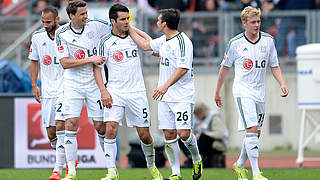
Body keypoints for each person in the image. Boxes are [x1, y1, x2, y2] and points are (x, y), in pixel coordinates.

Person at [214, 6, 289, 180]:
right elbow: (224, 69)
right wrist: (217, 91)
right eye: (253, 22)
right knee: (252, 130)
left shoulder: (268, 41)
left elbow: (274, 65)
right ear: (244, 23)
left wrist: (282, 83)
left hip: (260, 92)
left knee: (256, 134)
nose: (257, 25)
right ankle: (256, 173)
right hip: (243, 91)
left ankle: (239, 165)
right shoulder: (235, 43)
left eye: (259, 21)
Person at [129, 8, 203, 180]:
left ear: (165, 23)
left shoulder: (183, 41)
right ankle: (175, 173)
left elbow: (183, 68)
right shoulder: (163, 40)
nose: (156, 22)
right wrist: (129, 27)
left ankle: (197, 158)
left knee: (184, 134)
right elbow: (146, 45)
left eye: (158, 20)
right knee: (169, 135)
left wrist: (164, 86)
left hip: (182, 95)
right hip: (165, 98)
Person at [93, 4, 162, 180]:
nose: (126, 22)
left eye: (128, 18)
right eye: (122, 19)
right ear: (112, 21)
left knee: (145, 135)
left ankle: (152, 166)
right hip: (114, 91)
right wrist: (103, 91)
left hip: (137, 92)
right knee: (110, 129)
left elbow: (151, 47)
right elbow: (97, 68)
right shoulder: (105, 42)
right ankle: (111, 171)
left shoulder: (134, 37)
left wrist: (131, 28)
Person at [54, 1, 112, 179]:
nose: (86, 16)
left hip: (95, 83)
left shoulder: (96, 25)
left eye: (86, 13)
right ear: (71, 16)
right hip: (73, 84)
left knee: (101, 127)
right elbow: (65, 63)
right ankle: (71, 172)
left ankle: (111, 170)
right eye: (82, 14)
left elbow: (118, 26)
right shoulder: (61, 33)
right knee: (70, 124)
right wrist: (90, 59)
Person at [29, 6, 66, 180]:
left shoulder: (67, 34)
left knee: (60, 127)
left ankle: (57, 170)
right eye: (43, 22)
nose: (45, 25)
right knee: (51, 133)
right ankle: (66, 158)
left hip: (66, 89)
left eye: (48, 22)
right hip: (48, 91)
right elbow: (34, 61)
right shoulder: (37, 37)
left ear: (57, 19)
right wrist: (34, 85)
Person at [181, 102, 228, 168]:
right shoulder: (195, 118)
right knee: (183, 138)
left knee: (203, 137)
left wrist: (202, 135)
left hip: (215, 143)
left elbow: (220, 134)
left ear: (201, 111)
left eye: (197, 113)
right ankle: (192, 158)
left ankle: (195, 160)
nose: (196, 116)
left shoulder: (214, 116)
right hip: (200, 143)